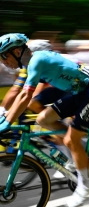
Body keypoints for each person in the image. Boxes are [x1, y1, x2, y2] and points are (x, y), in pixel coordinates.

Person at [0, 33, 89, 207]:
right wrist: (5, 116)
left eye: (4, 56)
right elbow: (21, 93)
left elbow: (26, 95)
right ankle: (75, 155)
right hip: (76, 93)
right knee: (43, 119)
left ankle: (85, 185)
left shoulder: (37, 60)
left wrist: (7, 122)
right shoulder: (30, 63)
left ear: (17, 51)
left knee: (70, 139)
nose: (3, 62)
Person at [0, 39, 74, 178]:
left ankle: (74, 148)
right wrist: (2, 109)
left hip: (72, 88)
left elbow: (34, 93)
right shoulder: (27, 66)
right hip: (59, 90)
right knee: (46, 121)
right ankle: (68, 154)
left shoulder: (42, 61)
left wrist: (10, 115)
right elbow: (15, 90)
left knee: (53, 122)